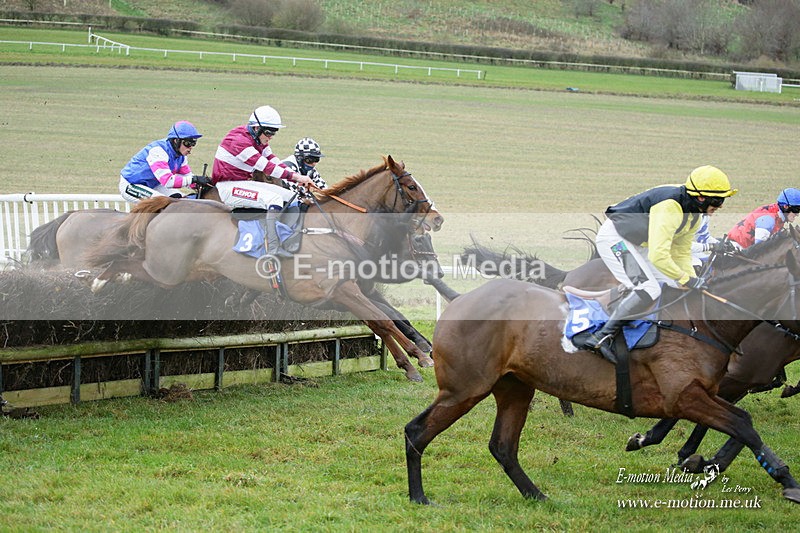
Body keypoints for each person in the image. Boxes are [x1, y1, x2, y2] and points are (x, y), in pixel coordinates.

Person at [582, 165, 738, 362]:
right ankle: (600, 337)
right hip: (616, 240)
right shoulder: (670, 207)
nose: (721, 205)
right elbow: (658, 255)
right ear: (700, 197)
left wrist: (692, 280)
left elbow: (680, 253)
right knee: (648, 287)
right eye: (717, 200)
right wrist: (686, 279)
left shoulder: (695, 216)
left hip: (640, 243)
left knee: (676, 285)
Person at [212, 105, 313, 258]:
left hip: (244, 183)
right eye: (269, 132)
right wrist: (297, 177)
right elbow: (266, 167)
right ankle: (272, 247)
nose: (271, 136)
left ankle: (289, 238)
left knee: (291, 197)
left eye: (274, 132)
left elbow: (273, 160)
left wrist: (295, 176)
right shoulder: (238, 140)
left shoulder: (258, 139)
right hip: (228, 187)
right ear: (256, 127)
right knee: (275, 199)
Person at [119, 121, 207, 203]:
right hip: (131, 185)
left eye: (193, 143)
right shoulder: (158, 151)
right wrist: (194, 179)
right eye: (188, 143)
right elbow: (168, 181)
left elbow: (187, 177)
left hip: (154, 184)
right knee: (161, 202)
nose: (190, 147)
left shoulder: (181, 157)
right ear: (176, 141)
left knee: (180, 200)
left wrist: (202, 184)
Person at [727, 188, 800, 248]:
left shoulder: (777, 214)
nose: (797, 214)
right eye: (796, 210)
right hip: (736, 250)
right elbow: (758, 250)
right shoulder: (768, 220)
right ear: (786, 207)